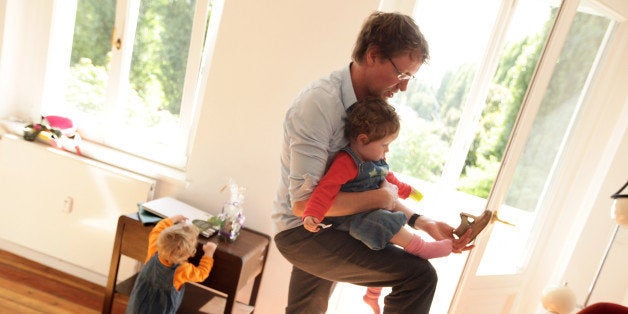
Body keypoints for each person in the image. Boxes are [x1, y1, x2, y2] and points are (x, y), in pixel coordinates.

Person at [272, 11, 473, 314]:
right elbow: (303, 205)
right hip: (303, 231)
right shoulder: (318, 106)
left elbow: (370, 183)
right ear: (373, 55)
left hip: (335, 224)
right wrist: (379, 198)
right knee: (418, 276)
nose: (404, 87)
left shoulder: (372, 107)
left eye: (410, 77)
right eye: (402, 74)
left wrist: (422, 221)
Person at [301, 98, 454, 314]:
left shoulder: (376, 161)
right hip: (352, 218)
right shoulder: (347, 161)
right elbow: (326, 189)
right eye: (384, 145)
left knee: (384, 244)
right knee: (382, 223)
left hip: (368, 214)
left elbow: (389, 179)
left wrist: (408, 190)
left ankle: (372, 295)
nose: (387, 151)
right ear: (363, 139)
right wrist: (311, 214)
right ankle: (421, 248)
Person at [126, 215, 218, 314]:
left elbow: (158, 229)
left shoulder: (155, 247)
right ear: (187, 254)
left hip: (137, 307)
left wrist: (173, 219)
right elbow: (202, 273)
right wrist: (209, 253)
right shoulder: (182, 269)